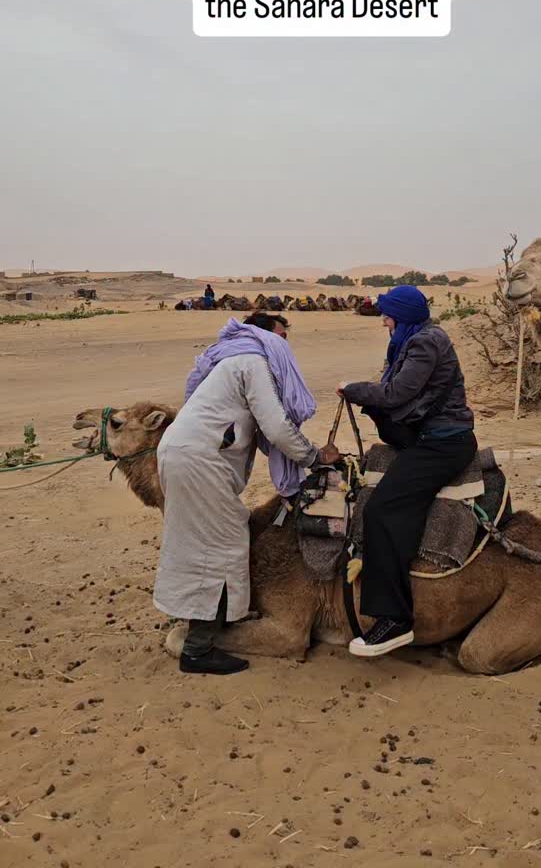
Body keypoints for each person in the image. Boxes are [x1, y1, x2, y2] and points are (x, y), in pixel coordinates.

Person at [154, 315, 337, 676]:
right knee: (222, 544)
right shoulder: (252, 362)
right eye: (282, 336)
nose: (285, 344)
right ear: (265, 334)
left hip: (186, 455)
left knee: (198, 542)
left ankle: (205, 623)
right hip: (201, 461)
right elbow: (277, 427)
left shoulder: (231, 362)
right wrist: (316, 456)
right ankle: (199, 648)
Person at [338, 285, 476, 658]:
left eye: (388, 314)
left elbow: (396, 394)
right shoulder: (415, 340)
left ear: (402, 316)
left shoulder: (425, 343)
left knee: (383, 510)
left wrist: (353, 390)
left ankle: (394, 619)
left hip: (442, 443)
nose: (384, 320)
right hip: (428, 437)